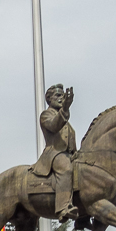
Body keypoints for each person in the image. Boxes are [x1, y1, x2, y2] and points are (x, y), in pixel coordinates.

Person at [31, 83, 79, 222]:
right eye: (58, 96)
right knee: (66, 169)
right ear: (49, 99)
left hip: (68, 154)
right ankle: (63, 208)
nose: (61, 98)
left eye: (63, 96)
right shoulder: (46, 115)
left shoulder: (65, 119)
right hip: (54, 154)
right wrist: (65, 109)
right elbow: (54, 126)